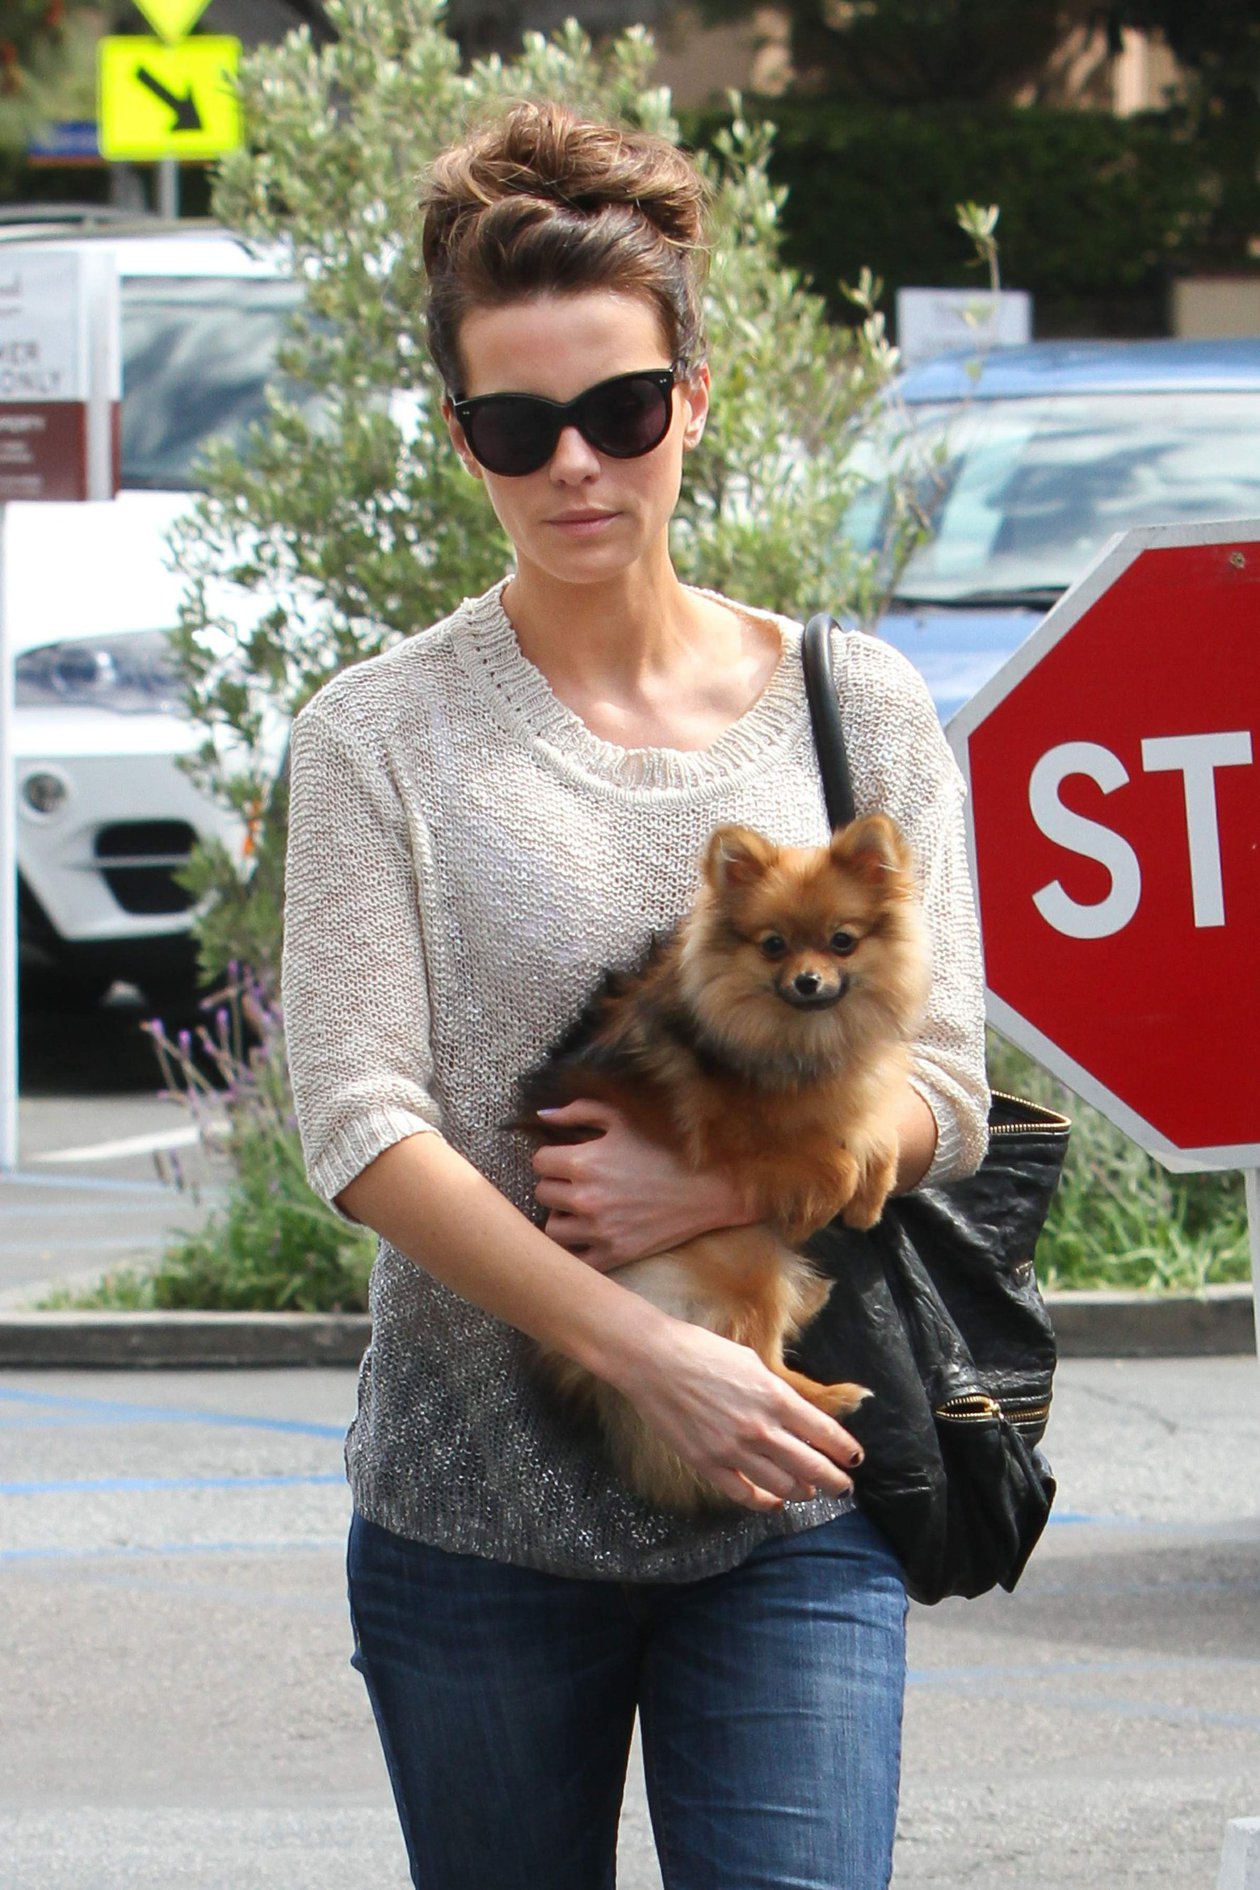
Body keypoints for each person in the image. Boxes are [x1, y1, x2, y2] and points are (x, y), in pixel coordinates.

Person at [281, 99, 989, 1890]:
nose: (576, 466)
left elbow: (949, 1084)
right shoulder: (378, 734)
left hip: (792, 1480)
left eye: (620, 410)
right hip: (474, 1514)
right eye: (518, 427)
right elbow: (356, 1118)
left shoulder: (856, 708)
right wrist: (644, 1347)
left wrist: (723, 1185)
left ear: (694, 397)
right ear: (463, 437)